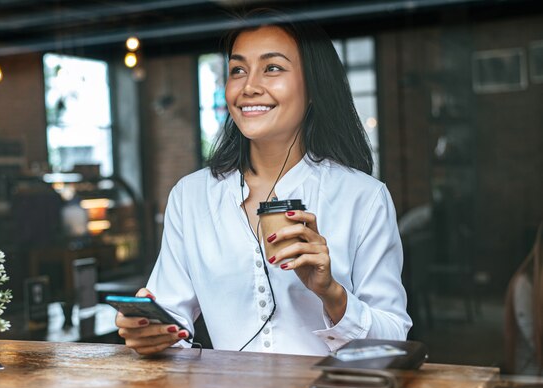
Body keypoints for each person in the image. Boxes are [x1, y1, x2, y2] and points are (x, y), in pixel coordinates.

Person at [116, 10, 412, 356]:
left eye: (272, 68)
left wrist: (331, 292)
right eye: (238, 70)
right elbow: (171, 322)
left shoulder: (363, 197)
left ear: (315, 86)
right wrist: (148, 332)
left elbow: (393, 341)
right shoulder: (191, 196)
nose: (249, 87)